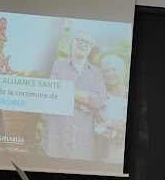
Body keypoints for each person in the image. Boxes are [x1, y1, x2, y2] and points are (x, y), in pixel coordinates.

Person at [43, 30, 107, 160]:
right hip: (59, 129)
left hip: (83, 134)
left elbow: (99, 100)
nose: (83, 44)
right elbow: (53, 93)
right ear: (72, 43)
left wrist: (66, 91)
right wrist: (85, 100)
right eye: (79, 40)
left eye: (87, 43)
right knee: (54, 165)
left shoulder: (97, 73)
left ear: (90, 48)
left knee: (79, 166)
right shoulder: (57, 65)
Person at [94, 54, 129, 164]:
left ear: (123, 71)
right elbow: (96, 128)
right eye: (106, 71)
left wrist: (115, 126)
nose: (110, 74)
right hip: (101, 158)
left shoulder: (131, 98)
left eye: (114, 69)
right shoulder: (98, 98)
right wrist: (116, 127)